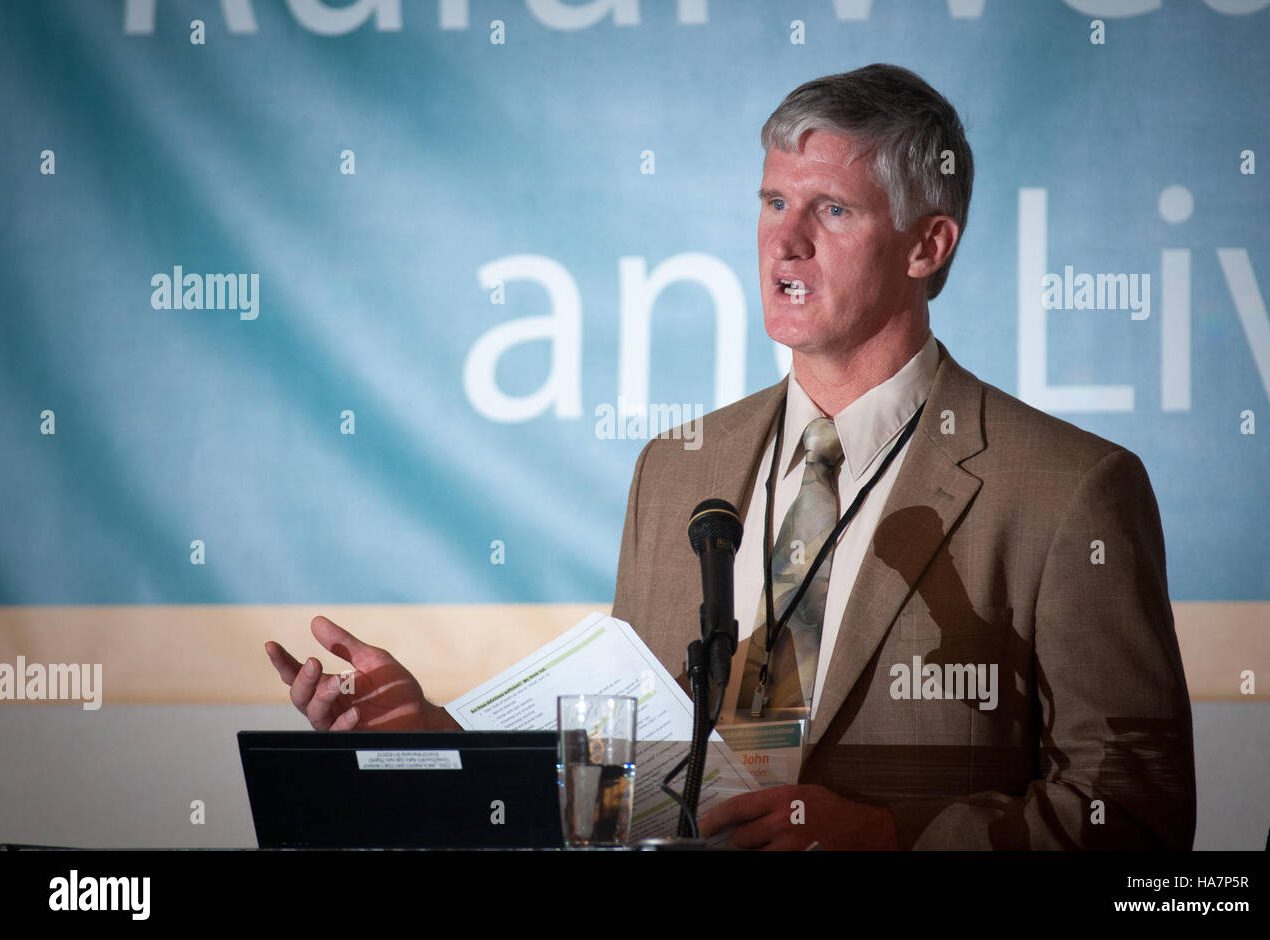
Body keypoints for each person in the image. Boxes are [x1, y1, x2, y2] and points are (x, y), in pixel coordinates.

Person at [266, 64, 1195, 851]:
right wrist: (443, 749)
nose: (783, 241)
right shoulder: (676, 470)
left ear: (927, 244)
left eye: (831, 209)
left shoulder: (1071, 491)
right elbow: (625, 783)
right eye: (773, 201)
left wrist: (886, 836)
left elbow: (1143, 813)